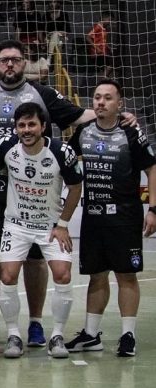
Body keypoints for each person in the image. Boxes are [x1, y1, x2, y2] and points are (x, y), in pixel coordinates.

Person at [0, 39, 135, 346]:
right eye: (4, 60)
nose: (10, 65)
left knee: (35, 261)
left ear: (25, 63)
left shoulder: (44, 95)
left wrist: (117, 118)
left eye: (16, 60)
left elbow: (78, 116)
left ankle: (35, 323)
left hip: (38, 194)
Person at [66, 79, 156, 357]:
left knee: (126, 275)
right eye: (96, 98)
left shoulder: (131, 134)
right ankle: (91, 335)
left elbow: (152, 169)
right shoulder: (82, 132)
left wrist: (153, 209)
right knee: (96, 275)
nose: (101, 102)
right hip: (93, 217)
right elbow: (63, 160)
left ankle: (128, 335)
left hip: (125, 217)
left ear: (119, 104)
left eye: (107, 98)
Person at [0, 102, 82, 359]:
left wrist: (63, 224)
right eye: (21, 125)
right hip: (16, 225)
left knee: (63, 274)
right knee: (7, 276)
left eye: (32, 124)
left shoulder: (60, 150)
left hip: (50, 227)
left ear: (43, 126)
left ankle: (56, 336)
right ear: (16, 128)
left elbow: (75, 187)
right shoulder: (7, 147)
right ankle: (13, 335)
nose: (27, 130)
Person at [86, 11, 114, 77]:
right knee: (110, 65)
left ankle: (104, 79)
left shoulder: (103, 28)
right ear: (104, 18)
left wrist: (108, 47)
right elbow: (88, 37)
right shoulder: (98, 26)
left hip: (102, 52)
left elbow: (101, 40)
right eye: (109, 20)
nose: (110, 22)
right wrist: (97, 48)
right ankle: (103, 79)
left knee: (108, 66)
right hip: (97, 53)